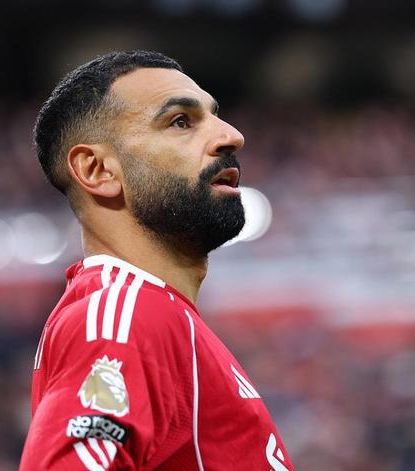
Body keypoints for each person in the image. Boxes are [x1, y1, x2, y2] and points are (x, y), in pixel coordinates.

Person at [20, 50, 293, 471]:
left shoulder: (160, 318)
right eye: (180, 122)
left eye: (215, 116)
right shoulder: (128, 318)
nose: (232, 136)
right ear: (97, 170)